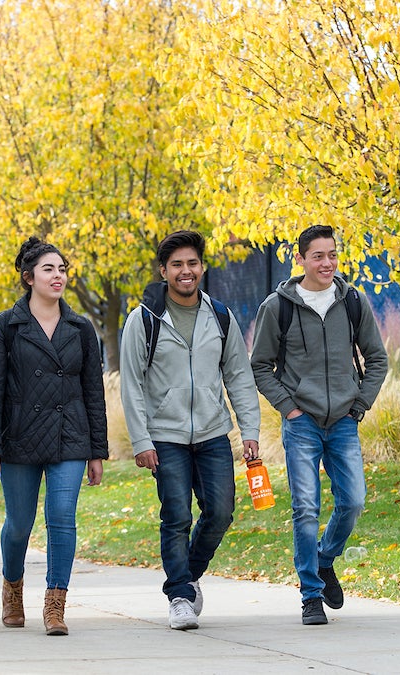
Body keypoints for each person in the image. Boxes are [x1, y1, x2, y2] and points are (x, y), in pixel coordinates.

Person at [119, 230, 261, 630]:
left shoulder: (220, 316)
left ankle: (188, 576)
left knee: (220, 512)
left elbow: (239, 376)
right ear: (164, 271)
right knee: (177, 515)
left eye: (192, 263)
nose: (186, 271)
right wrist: (141, 440)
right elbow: (131, 385)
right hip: (166, 436)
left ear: (202, 267)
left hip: (214, 433)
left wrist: (249, 430)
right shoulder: (143, 320)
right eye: (177, 265)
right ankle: (179, 595)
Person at [249, 225, 388, 626]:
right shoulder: (279, 307)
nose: (327, 263)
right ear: (301, 259)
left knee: (354, 501)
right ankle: (310, 595)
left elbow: (376, 358)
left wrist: (359, 405)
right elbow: (261, 365)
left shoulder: (352, 302)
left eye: (332, 255)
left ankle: (324, 560)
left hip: (344, 420)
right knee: (306, 508)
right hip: (302, 423)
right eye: (318, 256)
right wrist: (289, 408)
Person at [0, 237, 107, 636]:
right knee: (19, 523)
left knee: (62, 519)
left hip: (70, 435)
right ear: (29, 277)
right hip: (19, 437)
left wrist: (97, 450)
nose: (58, 276)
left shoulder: (81, 327)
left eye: (63, 269)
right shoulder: (6, 325)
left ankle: (55, 605)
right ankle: (12, 589)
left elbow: (93, 391)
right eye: (49, 269)